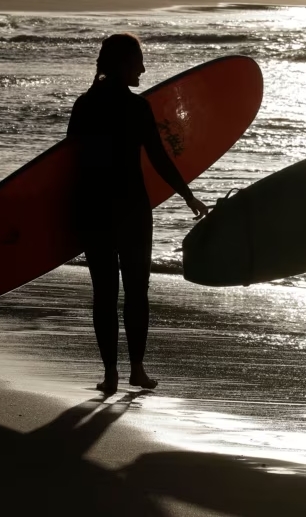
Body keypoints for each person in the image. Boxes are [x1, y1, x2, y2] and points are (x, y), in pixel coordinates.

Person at [66, 33, 208, 396]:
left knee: (104, 293)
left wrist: (68, 214)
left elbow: (68, 163)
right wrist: (187, 194)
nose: (143, 68)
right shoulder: (136, 108)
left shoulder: (84, 105)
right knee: (136, 292)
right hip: (130, 207)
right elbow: (160, 158)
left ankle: (111, 373)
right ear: (122, 64)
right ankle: (138, 370)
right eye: (137, 61)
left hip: (94, 207)